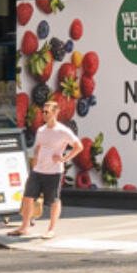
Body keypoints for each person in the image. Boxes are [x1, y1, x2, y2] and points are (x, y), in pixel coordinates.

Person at [13, 102, 83, 240]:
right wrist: (34, 163)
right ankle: (24, 227)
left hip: (54, 172)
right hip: (38, 170)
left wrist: (64, 158)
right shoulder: (41, 130)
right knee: (27, 197)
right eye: (43, 112)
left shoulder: (63, 131)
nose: (44, 115)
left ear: (56, 112)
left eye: (47, 112)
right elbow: (38, 147)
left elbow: (78, 146)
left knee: (53, 200)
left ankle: (51, 229)